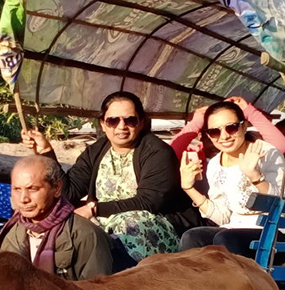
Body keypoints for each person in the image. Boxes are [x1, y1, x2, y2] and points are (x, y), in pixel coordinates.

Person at [21, 92, 194, 269]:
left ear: (141, 123)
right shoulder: (96, 150)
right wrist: (46, 153)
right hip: (102, 221)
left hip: (154, 224)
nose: (122, 126)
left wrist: (95, 209)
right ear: (103, 124)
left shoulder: (157, 152)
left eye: (130, 120)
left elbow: (149, 201)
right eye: (113, 121)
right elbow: (69, 192)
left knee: (129, 224)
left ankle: (129, 282)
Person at [176, 99, 285, 256]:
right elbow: (222, 216)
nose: (224, 136)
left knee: (226, 239)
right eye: (215, 131)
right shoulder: (215, 164)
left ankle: (234, 281)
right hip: (233, 229)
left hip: (273, 231)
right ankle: (192, 281)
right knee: (193, 236)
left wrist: (255, 176)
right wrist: (188, 187)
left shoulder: (266, 153)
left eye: (231, 128)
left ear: (243, 126)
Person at [0, 155, 113, 281]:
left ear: (56, 188)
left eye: (33, 189)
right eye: (17, 189)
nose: (23, 199)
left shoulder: (85, 235)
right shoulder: (12, 234)